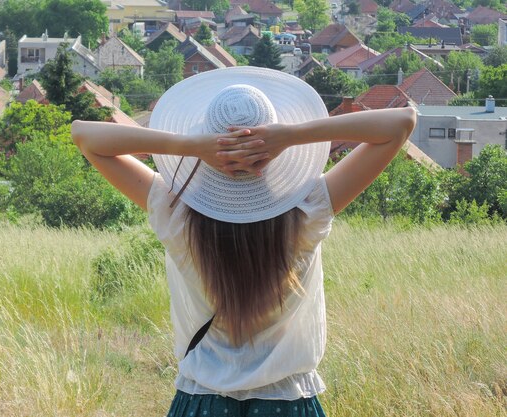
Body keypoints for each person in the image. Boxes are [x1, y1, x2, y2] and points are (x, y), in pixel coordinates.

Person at [72, 67, 416, 417]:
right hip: (288, 403)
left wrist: (187, 146)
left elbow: (84, 135)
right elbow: (402, 122)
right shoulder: (309, 209)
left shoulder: (174, 210)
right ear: (273, 150)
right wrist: (291, 136)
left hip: (201, 400)